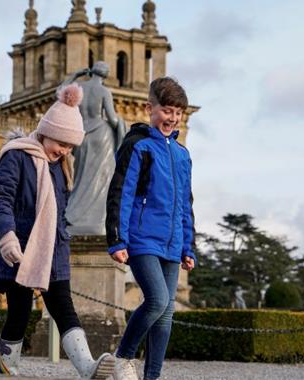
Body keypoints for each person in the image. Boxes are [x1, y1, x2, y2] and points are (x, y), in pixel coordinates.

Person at [0, 84, 115, 379]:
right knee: (18, 313)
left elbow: (59, 207)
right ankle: (8, 369)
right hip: (19, 247)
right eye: (61, 143)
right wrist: (6, 236)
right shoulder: (16, 156)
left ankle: (88, 368)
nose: (65, 151)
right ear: (46, 131)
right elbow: (0, 199)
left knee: (64, 308)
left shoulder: (60, 165)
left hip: (52, 247)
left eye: (70, 147)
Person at [105, 77, 196, 380]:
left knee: (166, 312)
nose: (172, 118)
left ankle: (152, 377)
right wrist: (117, 239)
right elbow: (121, 191)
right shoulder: (138, 145)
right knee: (157, 300)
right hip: (142, 239)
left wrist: (187, 246)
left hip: (172, 243)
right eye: (167, 110)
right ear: (150, 108)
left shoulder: (182, 154)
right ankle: (124, 357)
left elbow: (185, 203)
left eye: (177, 113)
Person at [62, 61, 127, 235]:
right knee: (101, 179)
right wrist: (122, 126)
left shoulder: (80, 88)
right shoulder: (104, 91)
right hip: (101, 134)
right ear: (105, 74)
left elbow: (60, 93)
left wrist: (74, 75)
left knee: (80, 176)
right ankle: (94, 219)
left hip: (82, 134)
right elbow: (112, 119)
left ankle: (73, 215)